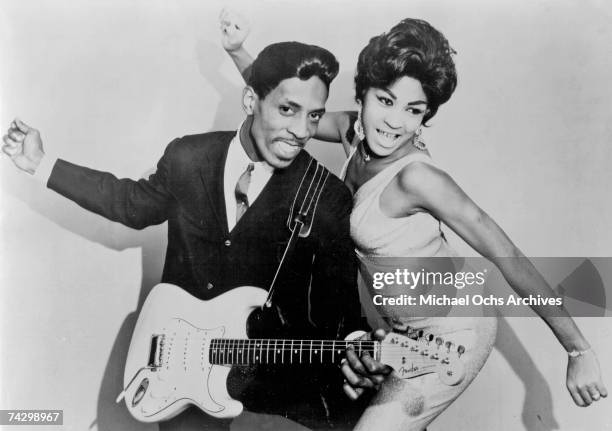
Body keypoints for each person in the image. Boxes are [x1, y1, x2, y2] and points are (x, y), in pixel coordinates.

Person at [221, 11, 607, 430]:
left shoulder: (417, 178)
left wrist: (578, 350)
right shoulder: (354, 135)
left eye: (414, 110)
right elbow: (284, 107)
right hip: (399, 334)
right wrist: (238, 51)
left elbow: (507, 255)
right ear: (363, 93)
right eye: (385, 101)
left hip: (454, 332)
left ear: (426, 116)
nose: (394, 122)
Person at [2, 41, 386, 430]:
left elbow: (338, 306)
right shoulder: (188, 156)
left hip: (273, 395)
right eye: (288, 110)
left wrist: (359, 346)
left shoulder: (325, 196)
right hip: (181, 381)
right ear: (251, 99)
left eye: (314, 115)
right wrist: (40, 163)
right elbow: (128, 203)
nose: (302, 131)